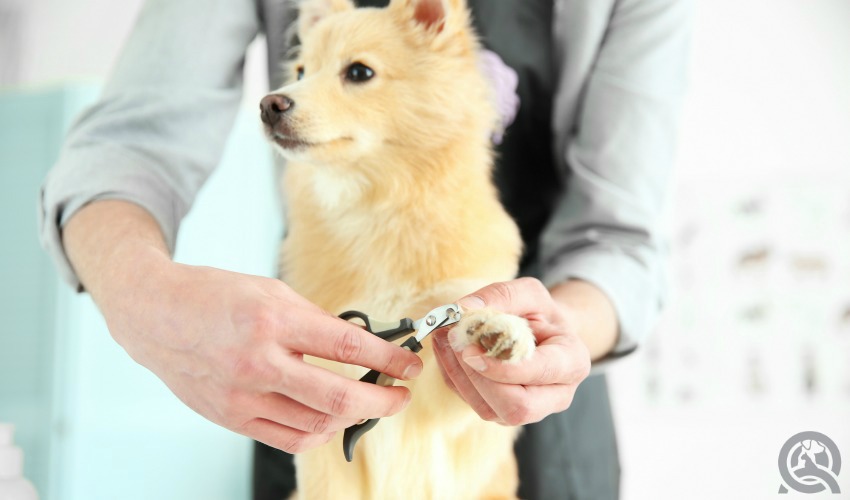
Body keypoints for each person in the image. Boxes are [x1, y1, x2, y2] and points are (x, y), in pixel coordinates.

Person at [38, 0, 692, 498]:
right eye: (302, 67)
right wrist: (154, 302)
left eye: (355, 72)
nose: (291, 93)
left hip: (540, 416)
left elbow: (619, 237)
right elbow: (126, 148)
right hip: (310, 393)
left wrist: (554, 335)